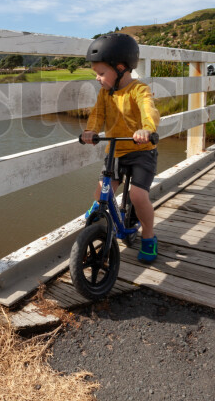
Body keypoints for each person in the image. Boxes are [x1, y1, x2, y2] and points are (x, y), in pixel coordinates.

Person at [80, 33, 160, 262]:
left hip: (141, 152)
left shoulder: (138, 90)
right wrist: (91, 131)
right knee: (101, 192)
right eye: (96, 73)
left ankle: (148, 236)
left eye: (101, 73)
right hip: (116, 152)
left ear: (122, 68)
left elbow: (149, 110)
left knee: (137, 195)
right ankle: (101, 217)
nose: (97, 78)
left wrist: (146, 129)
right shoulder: (106, 94)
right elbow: (98, 115)